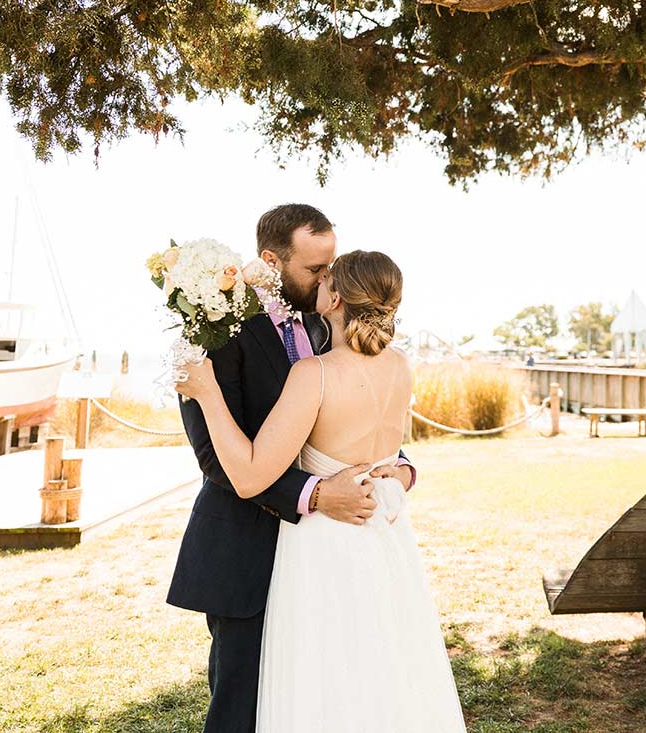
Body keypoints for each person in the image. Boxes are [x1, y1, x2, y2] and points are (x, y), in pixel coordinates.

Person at [176, 249, 465, 732]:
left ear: (334, 297)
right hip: (386, 540)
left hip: (324, 545)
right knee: (383, 671)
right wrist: (403, 474)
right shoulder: (400, 366)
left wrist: (207, 394)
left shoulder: (316, 373)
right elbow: (390, 459)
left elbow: (249, 476)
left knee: (323, 678)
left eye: (326, 278)